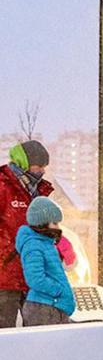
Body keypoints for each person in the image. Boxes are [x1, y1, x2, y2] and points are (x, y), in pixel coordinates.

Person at [0, 140, 54, 328]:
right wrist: (9, 251)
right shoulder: (3, 187)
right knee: (4, 330)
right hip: (5, 277)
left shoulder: (38, 191)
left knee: (38, 332)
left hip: (33, 275)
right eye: (38, 166)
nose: (42, 171)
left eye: (44, 167)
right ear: (23, 163)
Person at [15, 197, 75, 326]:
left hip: (50, 306)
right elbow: (35, 278)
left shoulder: (46, 244)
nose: (58, 227)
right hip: (44, 308)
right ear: (42, 223)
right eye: (55, 223)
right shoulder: (33, 245)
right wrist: (58, 290)